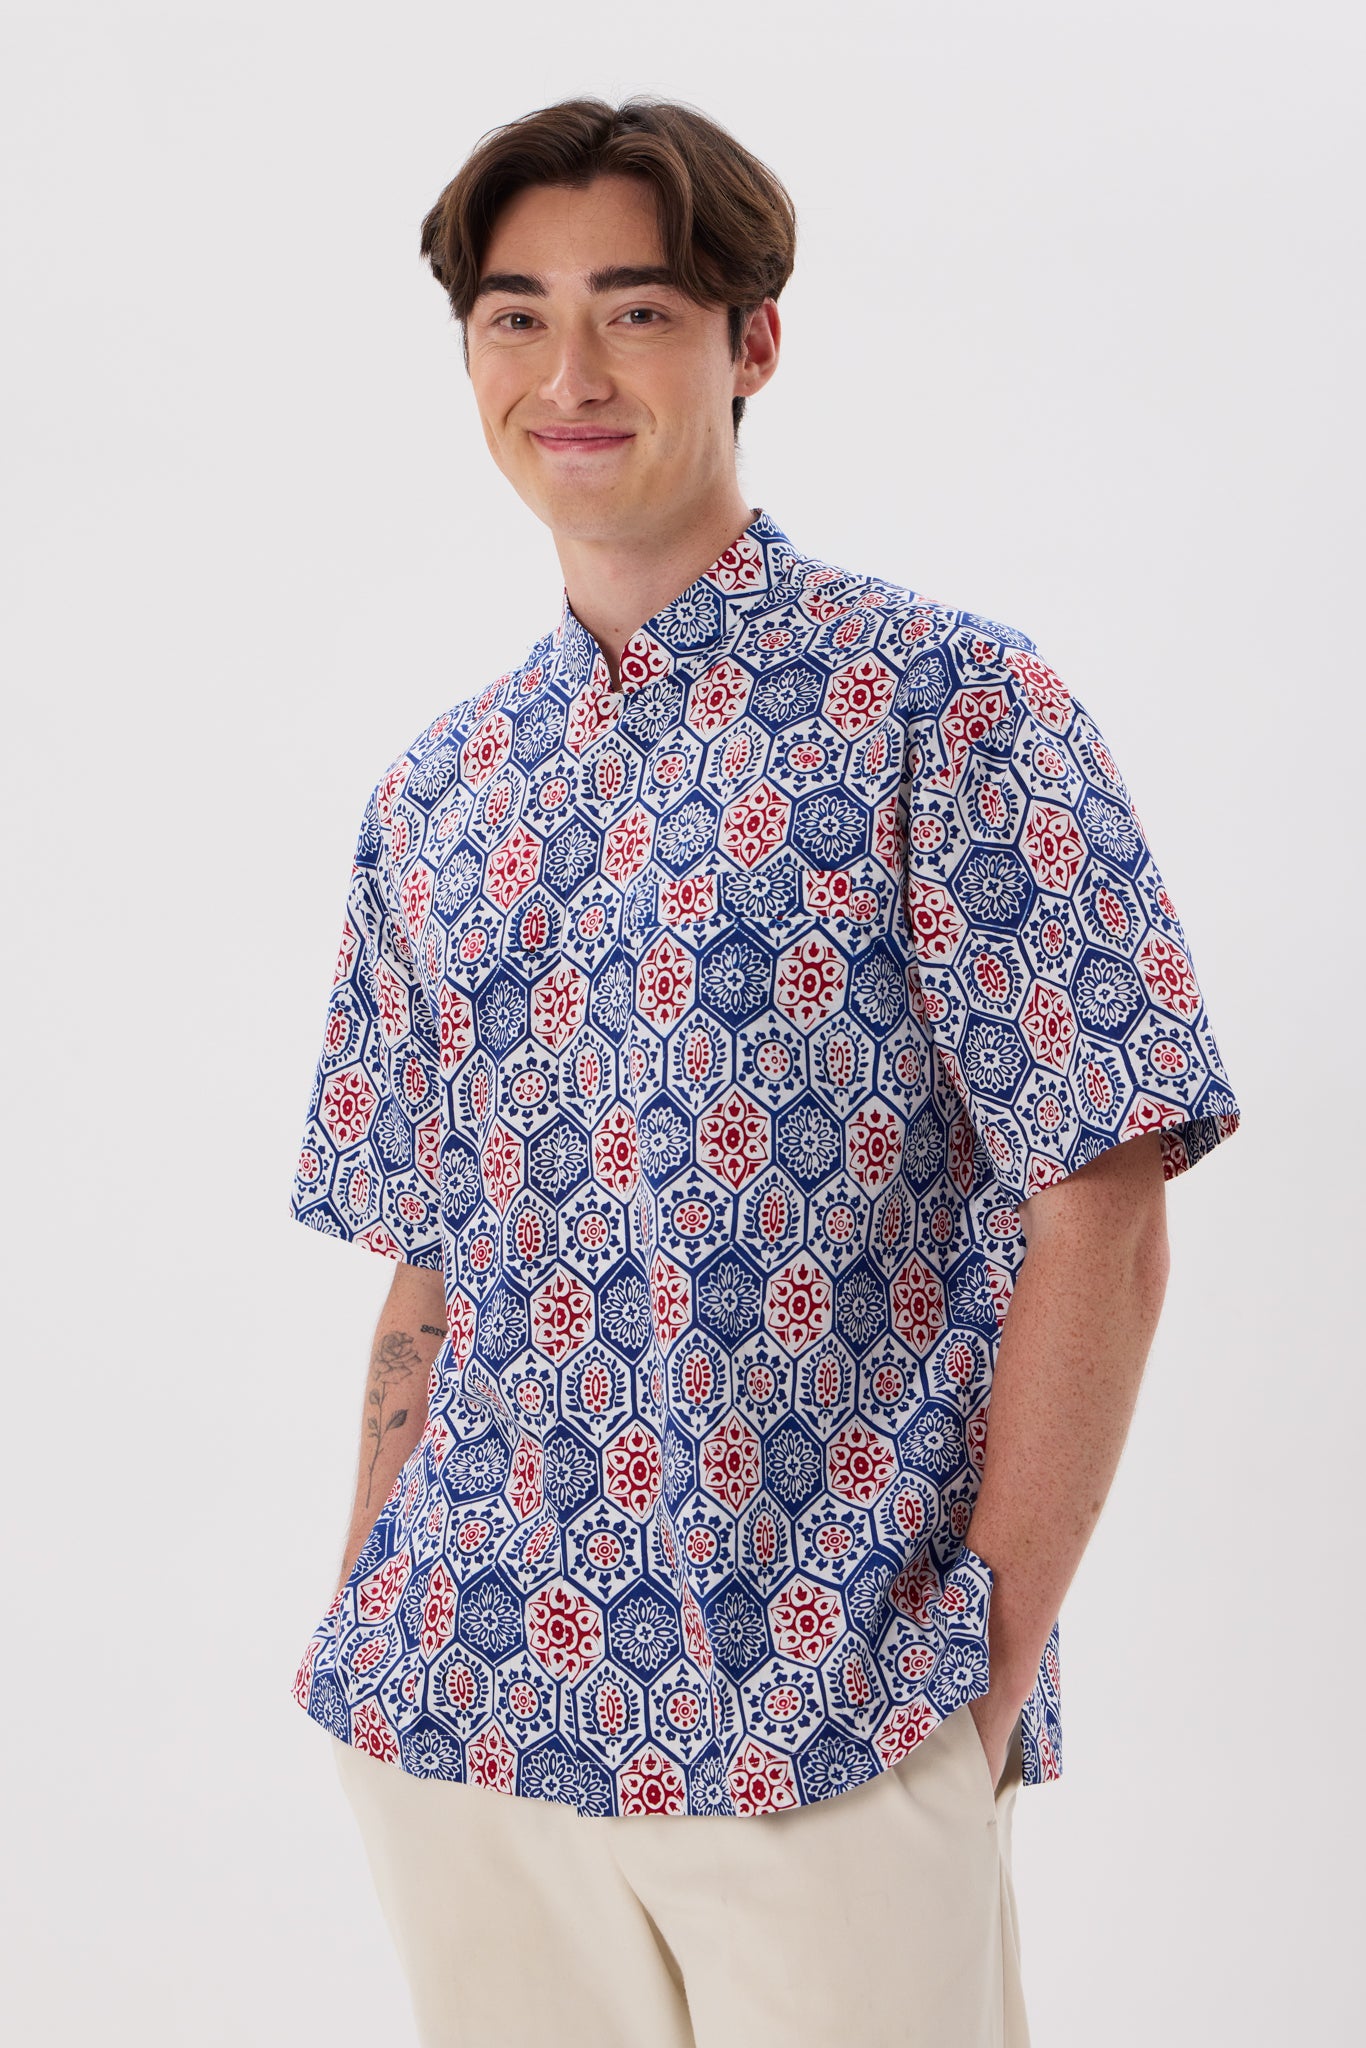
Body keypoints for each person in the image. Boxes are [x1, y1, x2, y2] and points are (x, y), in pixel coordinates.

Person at [286, 93, 1243, 2048]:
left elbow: (1104, 1202)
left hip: (827, 1724)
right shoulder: (440, 793)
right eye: (515, 316)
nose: (569, 373)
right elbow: (425, 1251)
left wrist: (973, 1681)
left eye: (633, 311)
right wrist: (367, 1591)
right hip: (461, 1713)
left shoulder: (944, 707)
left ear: (752, 340)